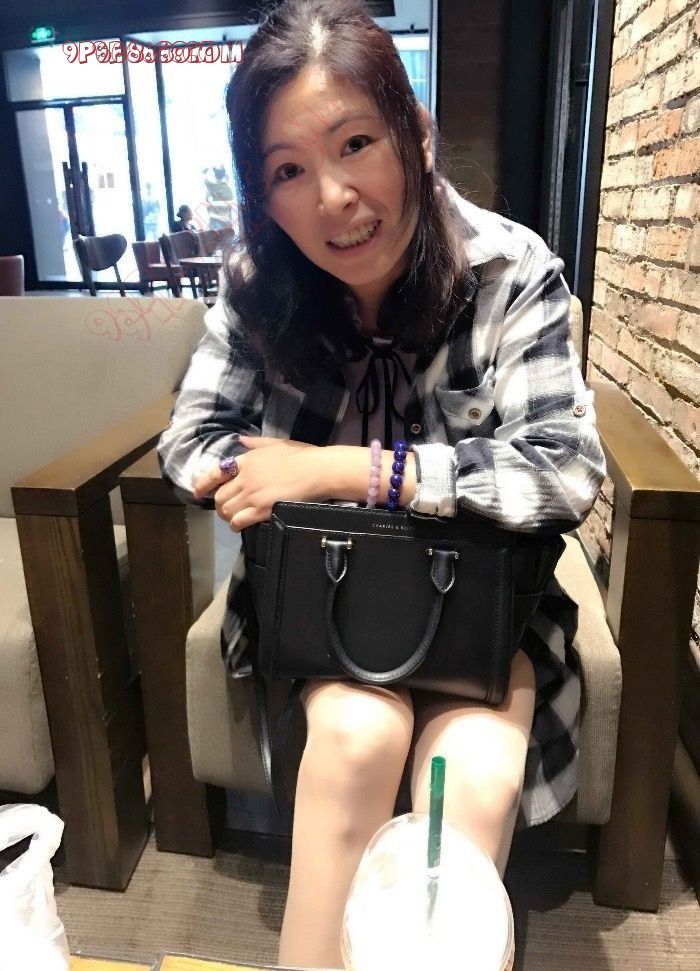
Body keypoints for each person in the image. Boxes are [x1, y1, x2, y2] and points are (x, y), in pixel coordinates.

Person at [157, 1, 606, 967]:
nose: (333, 197)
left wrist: (345, 468)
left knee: (475, 770)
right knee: (358, 736)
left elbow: (565, 469)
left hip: (484, 614)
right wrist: (249, 472)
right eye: (287, 171)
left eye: (355, 143)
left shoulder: (510, 270)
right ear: (262, 195)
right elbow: (189, 441)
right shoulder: (258, 283)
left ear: (417, 134)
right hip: (322, 607)